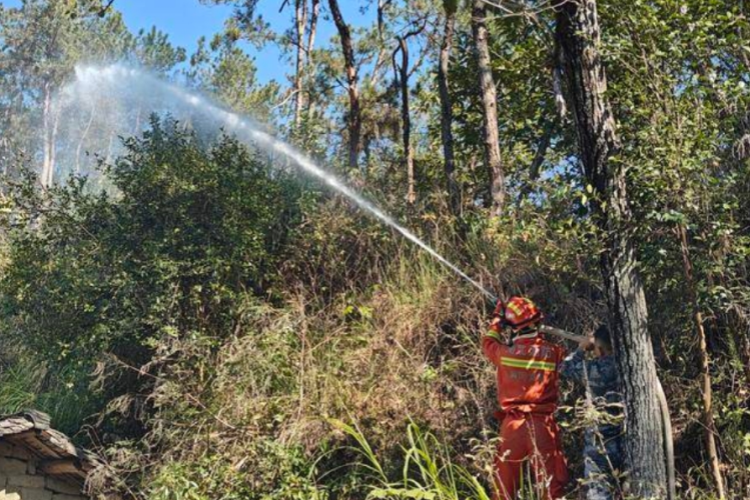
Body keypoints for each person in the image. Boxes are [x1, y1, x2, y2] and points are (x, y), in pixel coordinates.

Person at [482, 296, 569, 500]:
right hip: (542, 426)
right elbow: (568, 362)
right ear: (537, 321)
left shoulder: (503, 353)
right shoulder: (554, 352)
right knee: (551, 488)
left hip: (512, 426)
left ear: (512, 328)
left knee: (504, 488)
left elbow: (487, 341)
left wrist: (496, 319)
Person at [560, 325, 624, 500]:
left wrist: (582, 348)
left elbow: (565, 367)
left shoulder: (595, 369)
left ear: (600, 349)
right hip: (626, 442)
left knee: (599, 493)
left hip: (600, 444)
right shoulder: (628, 366)